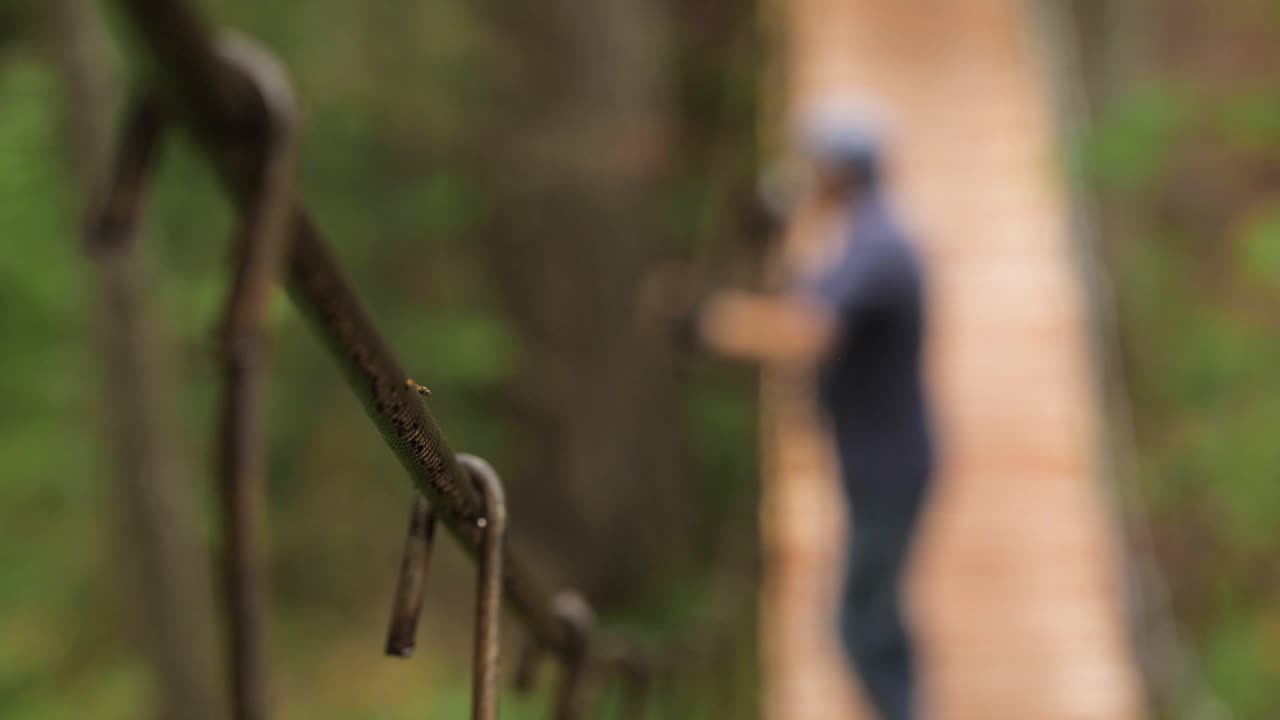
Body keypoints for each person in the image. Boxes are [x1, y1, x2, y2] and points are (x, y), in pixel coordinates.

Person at [683, 111, 935, 719]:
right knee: (878, 611)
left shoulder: (876, 246)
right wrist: (778, 237)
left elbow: (807, 331)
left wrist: (708, 324)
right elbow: (806, 295)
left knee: (861, 620)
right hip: (879, 460)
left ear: (838, 171)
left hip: (889, 466)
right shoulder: (858, 235)